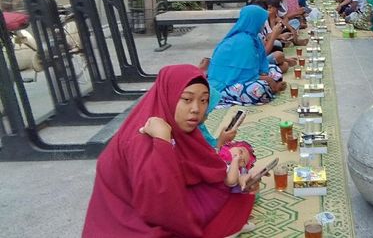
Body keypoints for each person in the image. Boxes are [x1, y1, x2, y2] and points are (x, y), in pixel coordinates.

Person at [83, 65, 258, 237]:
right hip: (129, 224)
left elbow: (207, 168)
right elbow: (158, 205)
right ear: (169, 96)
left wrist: (236, 181)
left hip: (165, 202)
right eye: (187, 99)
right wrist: (163, 141)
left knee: (235, 197)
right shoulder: (142, 137)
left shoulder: (183, 128)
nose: (196, 109)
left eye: (203, 100)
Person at [208, 5, 285, 107]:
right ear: (254, 22)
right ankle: (270, 88)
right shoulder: (244, 41)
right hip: (226, 83)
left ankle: (271, 87)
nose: (263, 24)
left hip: (240, 75)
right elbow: (244, 74)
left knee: (274, 69)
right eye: (262, 22)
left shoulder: (252, 37)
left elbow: (256, 64)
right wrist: (268, 79)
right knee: (259, 89)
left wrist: (266, 76)